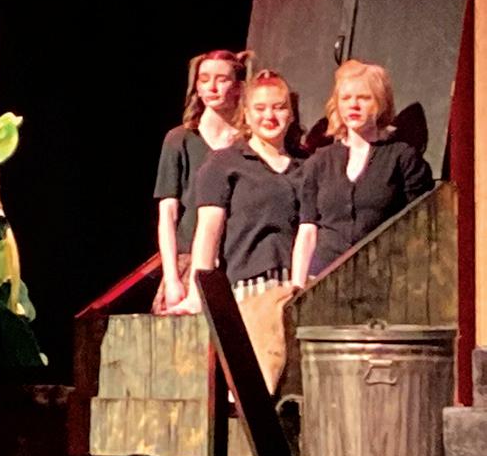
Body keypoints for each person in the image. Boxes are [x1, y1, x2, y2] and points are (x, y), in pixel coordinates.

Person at [291, 60, 434, 286]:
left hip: (381, 280)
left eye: (364, 98)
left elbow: (419, 227)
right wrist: (297, 289)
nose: (353, 105)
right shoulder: (319, 161)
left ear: (381, 103)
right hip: (323, 282)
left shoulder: (402, 157)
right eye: (346, 98)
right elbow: (307, 230)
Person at [173, 70, 303, 313]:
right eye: (260, 108)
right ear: (246, 114)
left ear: (291, 114)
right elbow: (208, 231)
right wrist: (197, 294)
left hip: (299, 286)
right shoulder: (223, 164)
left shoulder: (307, 167)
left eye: (279, 107)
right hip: (248, 288)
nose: (269, 116)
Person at [152, 50, 250, 313]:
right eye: (204, 79)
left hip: (236, 263)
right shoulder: (180, 139)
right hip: (187, 263)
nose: (212, 87)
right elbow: (168, 215)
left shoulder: (247, 143)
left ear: (238, 86)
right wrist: (172, 278)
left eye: (222, 79)